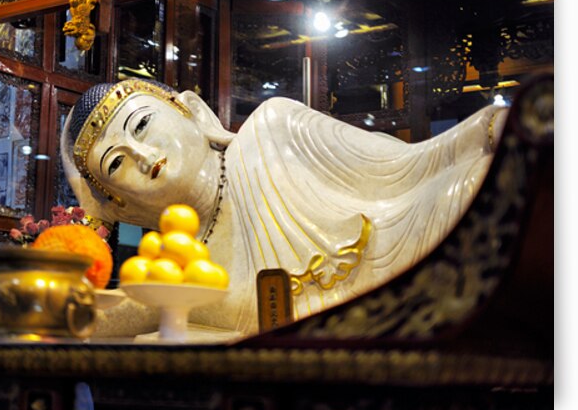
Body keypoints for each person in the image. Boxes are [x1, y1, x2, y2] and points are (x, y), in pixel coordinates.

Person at [60, 79, 508, 338]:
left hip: (409, 243)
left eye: (142, 123)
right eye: (115, 163)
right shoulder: (173, 273)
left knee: (477, 189)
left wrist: (484, 129)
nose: (142, 154)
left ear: (193, 112)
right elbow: (112, 318)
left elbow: (405, 168)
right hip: (346, 353)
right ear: (116, 202)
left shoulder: (274, 128)